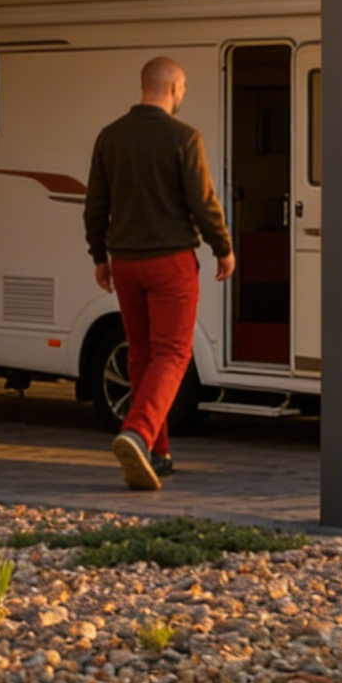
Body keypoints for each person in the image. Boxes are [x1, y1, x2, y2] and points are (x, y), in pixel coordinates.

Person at [83, 57, 235, 490]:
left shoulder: (109, 138)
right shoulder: (183, 138)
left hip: (126, 263)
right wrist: (223, 248)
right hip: (170, 264)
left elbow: (95, 204)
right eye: (183, 88)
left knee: (142, 357)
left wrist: (100, 256)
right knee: (173, 355)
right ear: (174, 86)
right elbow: (202, 202)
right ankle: (137, 432)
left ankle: (157, 453)